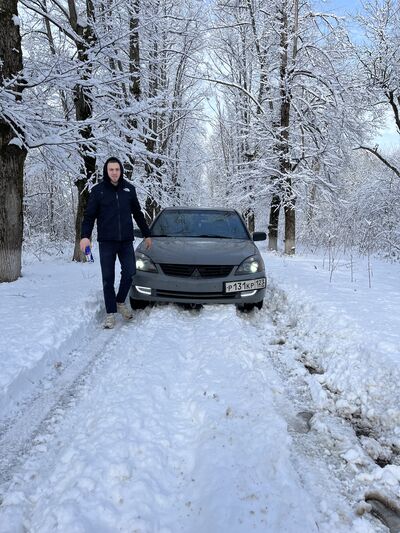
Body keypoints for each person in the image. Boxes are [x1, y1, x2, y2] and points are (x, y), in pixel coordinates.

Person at [80, 157, 152, 329]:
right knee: (108, 278)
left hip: (126, 241)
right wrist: (85, 236)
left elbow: (138, 213)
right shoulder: (98, 191)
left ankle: (120, 301)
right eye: (111, 169)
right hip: (106, 242)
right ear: (106, 171)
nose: (114, 172)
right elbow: (89, 216)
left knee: (130, 272)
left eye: (117, 169)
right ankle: (110, 313)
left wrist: (147, 234)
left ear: (121, 171)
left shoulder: (129, 189)